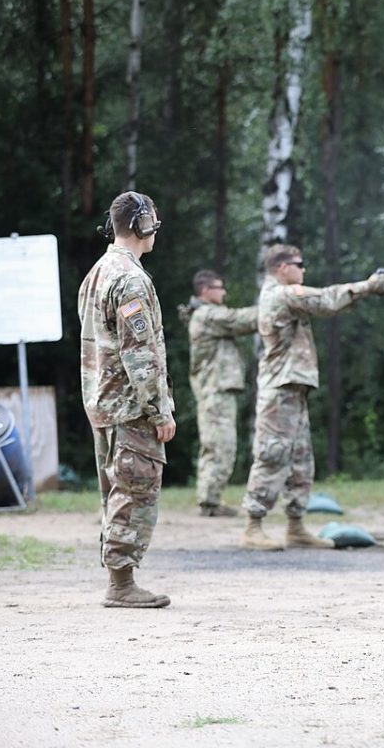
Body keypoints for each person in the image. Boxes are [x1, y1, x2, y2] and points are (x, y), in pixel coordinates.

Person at [239, 245, 384, 550]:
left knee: (300, 460)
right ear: (283, 267)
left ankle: (295, 526)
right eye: (299, 264)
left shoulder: (282, 294)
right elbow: (324, 300)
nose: (303, 269)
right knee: (272, 455)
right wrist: (368, 286)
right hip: (280, 391)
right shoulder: (280, 294)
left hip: (292, 390)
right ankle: (252, 527)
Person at [78, 190, 175, 608]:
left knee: (117, 489)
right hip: (130, 405)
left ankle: (120, 579)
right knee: (134, 489)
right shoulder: (131, 279)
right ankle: (120, 585)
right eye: (152, 220)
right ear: (140, 225)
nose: (155, 228)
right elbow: (140, 353)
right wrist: (160, 408)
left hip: (103, 401)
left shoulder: (99, 271)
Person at [178, 269, 257, 517]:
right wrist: (277, 304)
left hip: (216, 389)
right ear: (205, 291)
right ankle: (210, 502)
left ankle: (210, 500)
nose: (224, 292)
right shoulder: (207, 315)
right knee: (220, 445)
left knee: (218, 445)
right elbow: (240, 320)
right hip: (215, 390)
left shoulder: (205, 315)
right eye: (219, 287)